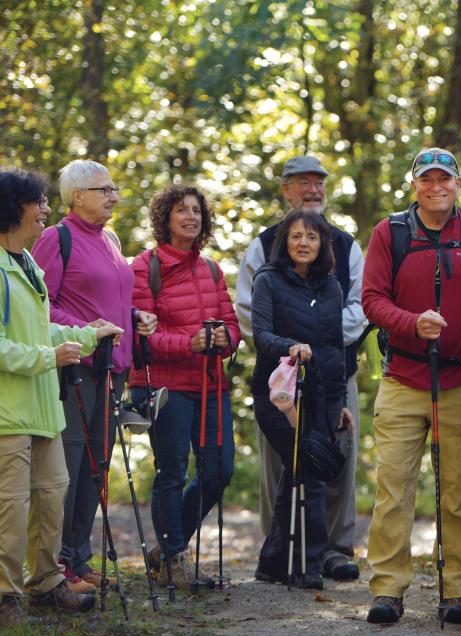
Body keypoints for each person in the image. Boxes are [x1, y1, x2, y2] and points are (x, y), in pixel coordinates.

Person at [361, 147, 461, 624]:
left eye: (444, 178)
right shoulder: (391, 232)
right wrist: (410, 323)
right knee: (394, 488)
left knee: (458, 492)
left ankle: (456, 590)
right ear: (415, 186)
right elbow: (372, 299)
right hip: (403, 377)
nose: (436, 186)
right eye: (427, 179)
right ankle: (388, 589)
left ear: (458, 184)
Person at [0, 168, 122, 623]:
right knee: (10, 510)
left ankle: (46, 585)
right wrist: (48, 356)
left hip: (43, 409)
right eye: (41, 203)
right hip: (8, 414)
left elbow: (39, 329)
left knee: (52, 496)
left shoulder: (27, 264)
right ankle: (4, 597)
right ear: (15, 208)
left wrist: (87, 336)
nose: (47, 211)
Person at [236, 155, 365, 581]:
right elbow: (249, 313)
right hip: (282, 381)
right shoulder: (263, 244)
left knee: (335, 459)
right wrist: (295, 340)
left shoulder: (346, 245)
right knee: (283, 464)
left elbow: (358, 309)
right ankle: (283, 551)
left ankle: (335, 548)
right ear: (285, 191)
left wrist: (315, 335)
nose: (313, 190)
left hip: (333, 373)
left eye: (319, 183)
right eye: (303, 183)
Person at [31, 160, 157, 593]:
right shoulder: (56, 239)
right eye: (104, 189)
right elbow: (41, 307)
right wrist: (89, 332)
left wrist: (134, 315)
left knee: (96, 468)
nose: (114, 196)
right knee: (70, 466)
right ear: (76, 195)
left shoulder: (110, 238)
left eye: (114, 188)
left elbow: (110, 299)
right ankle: (55, 567)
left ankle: (78, 558)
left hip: (112, 369)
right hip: (76, 371)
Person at [128, 185, 240, 588]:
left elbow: (230, 321)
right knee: (171, 472)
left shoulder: (211, 269)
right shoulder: (145, 266)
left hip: (211, 383)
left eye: (196, 211)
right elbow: (139, 337)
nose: (190, 217)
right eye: (181, 211)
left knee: (218, 469)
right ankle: (175, 558)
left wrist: (228, 338)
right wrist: (187, 344)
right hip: (166, 385)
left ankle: (166, 548)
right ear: (165, 218)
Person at [250, 209, 352, 590]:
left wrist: (339, 401)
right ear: (284, 242)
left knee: (299, 471)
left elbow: (335, 348)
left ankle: (273, 562)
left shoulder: (332, 286)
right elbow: (260, 335)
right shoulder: (269, 281)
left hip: (323, 395)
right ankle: (309, 566)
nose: (304, 243)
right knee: (309, 471)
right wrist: (291, 347)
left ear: (323, 244)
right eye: (296, 236)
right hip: (278, 394)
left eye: (312, 236)